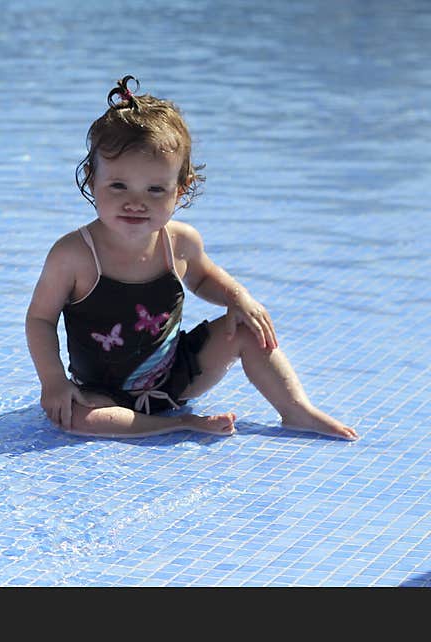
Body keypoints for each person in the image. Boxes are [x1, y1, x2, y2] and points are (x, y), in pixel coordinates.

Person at [25, 76, 357, 441]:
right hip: (101, 391)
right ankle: (181, 423)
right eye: (118, 186)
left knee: (248, 328)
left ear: (179, 191)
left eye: (155, 189)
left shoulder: (179, 242)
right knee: (72, 416)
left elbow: (203, 279)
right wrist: (54, 381)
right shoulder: (74, 254)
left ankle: (296, 410)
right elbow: (41, 319)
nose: (135, 201)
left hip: (177, 373)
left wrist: (239, 298)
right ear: (92, 180)